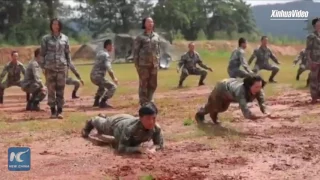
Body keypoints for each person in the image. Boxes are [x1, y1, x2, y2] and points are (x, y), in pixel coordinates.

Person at [81, 102, 164, 154]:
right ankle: (93, 120)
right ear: (141, 118)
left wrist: (154, 149)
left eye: (154, 118)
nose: (151, 122)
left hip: (128, 118)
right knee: (102, 125)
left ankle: (104, 117)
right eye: (148, 119)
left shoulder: (156, 128)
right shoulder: (130, 128)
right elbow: (121, 148)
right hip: (116, 124)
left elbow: (159, 144)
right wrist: (138, 149)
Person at [195, 75, 268, 124]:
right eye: (256, 87)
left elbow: (262, 102)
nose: (259, 89)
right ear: (249, 86)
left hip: (230, 92)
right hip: (222, 89)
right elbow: (246, 111)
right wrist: (260, 117)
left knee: (223, 108)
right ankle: (200, 114)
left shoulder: (259, 90)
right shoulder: (240, 91)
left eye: (260, 87)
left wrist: (266, 112)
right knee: (214, 106)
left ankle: (214, 114)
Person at [40, 18, 72, 119]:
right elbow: (42, 54)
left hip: (61, 67)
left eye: (57, 24)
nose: (55, 26)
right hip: (50, 67)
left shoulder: (65, 38)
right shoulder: (46, 38)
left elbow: (67, 53)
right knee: (51, 90)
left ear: (60, 26)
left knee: (61, 90)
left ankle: (60, 111)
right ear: (51, 26)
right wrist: (42, 67)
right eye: (53, 24)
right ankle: (53, 111)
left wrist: (68, 66)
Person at [133, 17, 161, 106]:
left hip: (154, 64)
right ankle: (143, 102)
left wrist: (158, 61)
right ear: (144, 24)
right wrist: (136, 64)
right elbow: (136, 51)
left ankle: (150, 99)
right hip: (143, 65)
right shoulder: (140, 37)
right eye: (148, 22)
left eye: (152, 22)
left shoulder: (156, 36)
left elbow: (158, 50)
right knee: (143, 84)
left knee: (153, 83)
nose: (150, 23)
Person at [90, 39, 118, 108]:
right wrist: (114, 78)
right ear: (108, 46)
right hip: (98, 76)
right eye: (112, 46)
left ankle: (96, 102)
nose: (112, 47)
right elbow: (109, 68)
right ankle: (103, 102)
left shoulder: (100, 52)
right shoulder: (106, 55)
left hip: (92, 75)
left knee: (102, 86)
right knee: (112, 87)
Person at [306, 17, 320, 103]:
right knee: (314, 79)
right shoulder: (311, 36)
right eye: (318, 24)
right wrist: (310, 61)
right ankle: (314, 97)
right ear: (314, 25)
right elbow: (308, 50)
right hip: (315, 60)